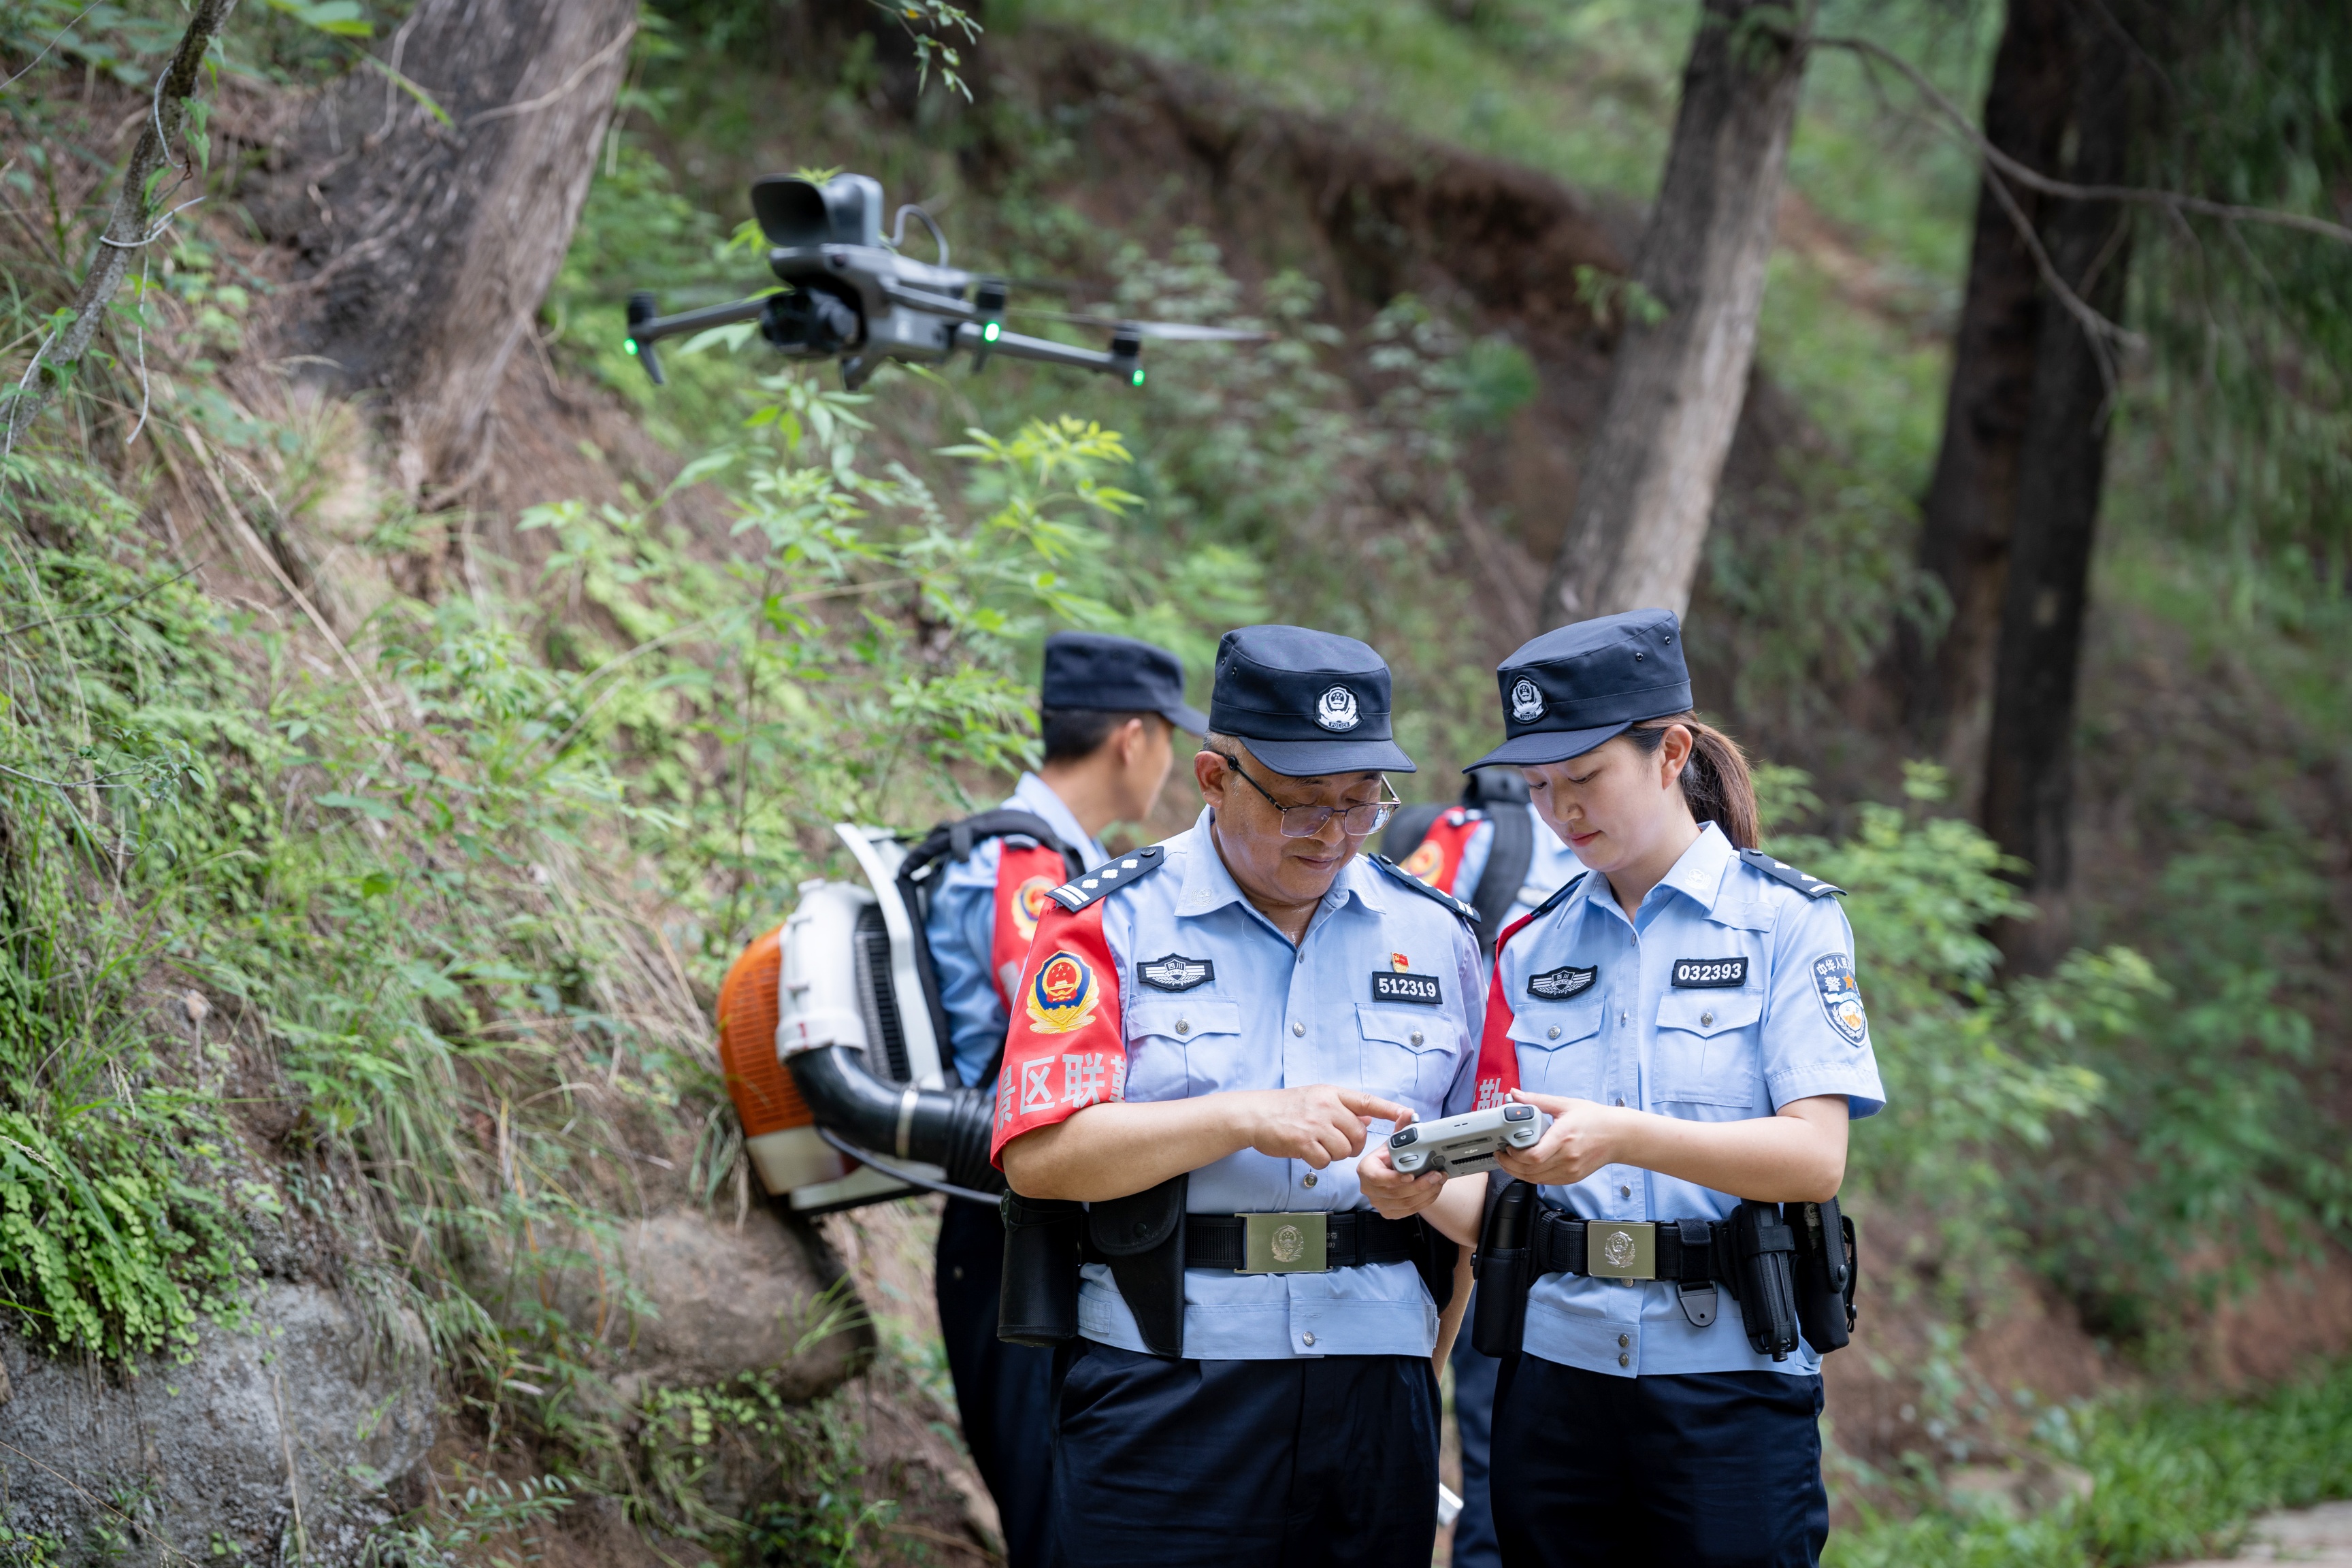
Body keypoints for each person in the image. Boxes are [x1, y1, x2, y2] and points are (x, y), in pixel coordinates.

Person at [1360, 608, 1885, 1568]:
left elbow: (1814, 1159)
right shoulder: (1527, 947)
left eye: (1585, 777)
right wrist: (1424, 1185)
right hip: (1555, 1382)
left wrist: (1622, 1137)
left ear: (1670, 750)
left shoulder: (1787, 925)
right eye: (1541, 785)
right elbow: (1503, 1197)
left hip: (1728, 1383)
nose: (1563, 810)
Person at [992, 625, 1486, 1568]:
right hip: (1169, 1378)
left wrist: (1419, 1372)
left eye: (1359, 804)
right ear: (1214, 777)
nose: (1333, 835)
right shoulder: (1105, 923)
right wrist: (1242, 1117)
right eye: (1302, 805)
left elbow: (1473, 1186)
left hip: (1373, 1390)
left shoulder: (1440, 938)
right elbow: (1039, 1157)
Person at [925, 630, 1205, 1568]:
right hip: (1010, 1234)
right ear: (1135, 738)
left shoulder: (1056, 860)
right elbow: (1061, 1050)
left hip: (1031, 1227)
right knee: (1053, 1517)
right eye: (1169, 737)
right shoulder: (1029, 870)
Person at [1382, 766, 1582, 1568]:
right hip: (1479, 1168)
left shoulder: (1469, 836)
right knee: (1503, 1432)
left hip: (1486, 1167)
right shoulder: (1480, 841)